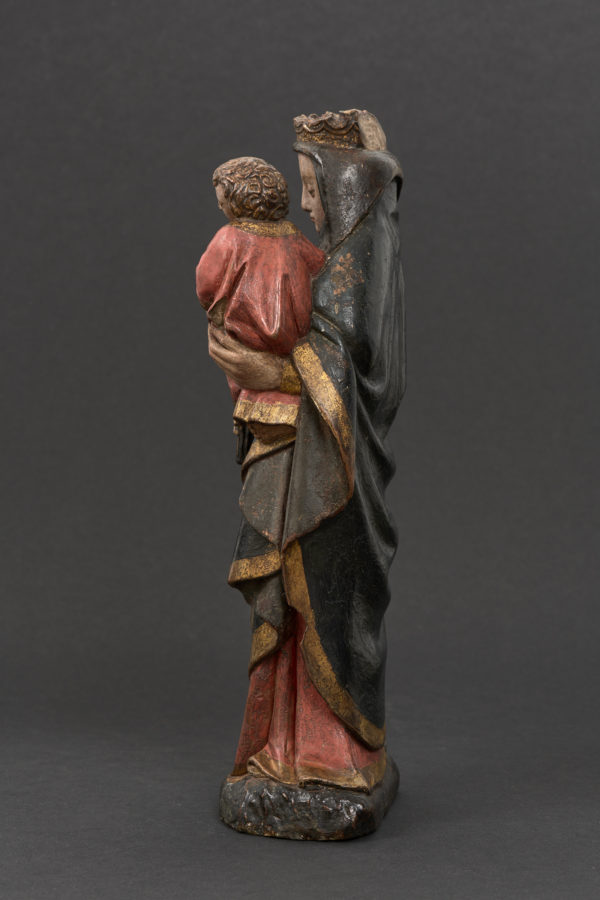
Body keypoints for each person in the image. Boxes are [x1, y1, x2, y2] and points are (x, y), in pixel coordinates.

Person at [208, 111, 405, 797]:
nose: (308, 205)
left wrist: (269, 372)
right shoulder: (331, 258)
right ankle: (283, 748)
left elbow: (349, 365)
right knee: (297, 597)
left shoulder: (355, 266)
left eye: (316, 190)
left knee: (326, 594)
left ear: (347, 191)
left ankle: (335, 756)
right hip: (308, 449)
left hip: (336, 473)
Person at [196, 157, 324, 454]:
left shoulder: (229, 237)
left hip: (255, 346)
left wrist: (217, 310)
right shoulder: (294, 235)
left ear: (238, 199)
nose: (220, 208)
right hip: (295, 347)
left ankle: (248, 411)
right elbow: (321, 269)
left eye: (222, 202)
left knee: (229, 342)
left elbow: (206, 282)